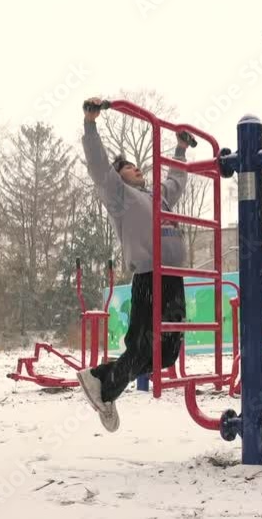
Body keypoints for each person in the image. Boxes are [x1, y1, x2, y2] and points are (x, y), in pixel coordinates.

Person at [76, 96, 192, 432]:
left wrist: (181, 148)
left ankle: (102, 381)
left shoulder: (158, 196)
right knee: (143, 347)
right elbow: (100, 168)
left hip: (173, 278)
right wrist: (90, 124)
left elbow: (176, 181)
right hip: (149, 277)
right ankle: (103, 384)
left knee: (167, 354)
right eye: (127, 167)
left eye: (136, 166)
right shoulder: (119, 196)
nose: (136, 168)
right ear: (119, 177)